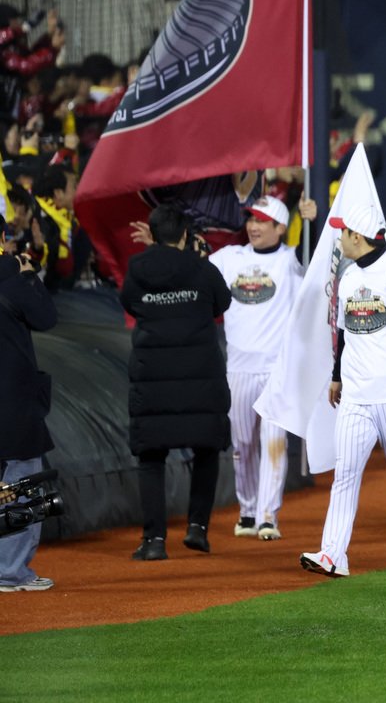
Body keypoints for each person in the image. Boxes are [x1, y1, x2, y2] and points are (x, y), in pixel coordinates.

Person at [299, 205, 386, 577]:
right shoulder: (347, 276)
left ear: (357, 237)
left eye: (343, 232)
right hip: (357, 394)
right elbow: (346, 333)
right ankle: (333, 554)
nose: (339, 237)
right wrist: (336, 376)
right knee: (345, 472)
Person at [120, 203, 232, 561]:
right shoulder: (203, 268)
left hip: (152, 376)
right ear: (185, 234)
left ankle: (154, 540)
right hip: (201, 377)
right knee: (206, 449)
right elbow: (222, 304)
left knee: (151, 458)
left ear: (152, 234)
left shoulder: (137, 268)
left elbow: (131, 304)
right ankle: (197, 528)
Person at [207, 194, 316, 540]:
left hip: (275, 371)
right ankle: (248, 509)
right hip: (237, 369)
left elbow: (315, 255)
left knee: (274, 442)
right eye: (250, 219)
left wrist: (312, 219)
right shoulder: (228, 258)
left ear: (280, 228)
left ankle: (268, 514)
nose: (252, 226)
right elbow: (195, 272)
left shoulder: (290, 261)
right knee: (242, 444)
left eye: (260, 221)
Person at [0, 250, 57, 591]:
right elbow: (47, 318)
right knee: (22, 484)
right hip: (13, 401)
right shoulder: (11, 276)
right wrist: (28, 274)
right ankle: (10, 570)